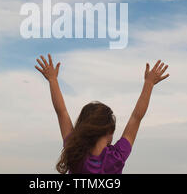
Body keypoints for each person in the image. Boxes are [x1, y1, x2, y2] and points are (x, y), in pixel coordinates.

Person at [35, 54, 169, 174]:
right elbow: (136, 117)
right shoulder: (116, 157)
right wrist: (149, 83)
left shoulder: (75, 153)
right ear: (110, 131)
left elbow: (62, 112)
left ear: (82, 128)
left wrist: (53, 80)